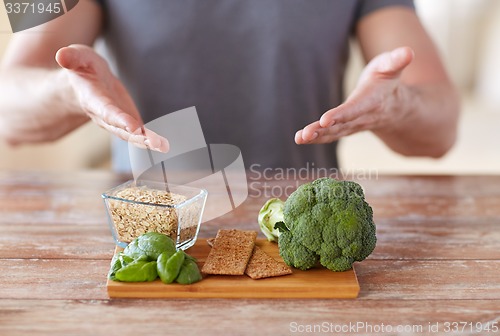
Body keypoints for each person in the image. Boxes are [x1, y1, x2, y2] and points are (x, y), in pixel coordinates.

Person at [0, 0, 459, 171]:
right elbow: (8, 105)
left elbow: (442, 126)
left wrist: (397, 105)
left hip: (303, 235)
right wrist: (69, 92)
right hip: (152, 234)